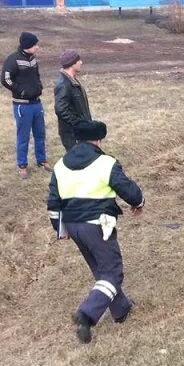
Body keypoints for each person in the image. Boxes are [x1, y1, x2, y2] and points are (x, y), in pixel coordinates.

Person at [47, 120, 145, 343]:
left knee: (100, 268)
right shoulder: (105, 162)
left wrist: (60, 228)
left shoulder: (60, 165)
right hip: (98, 224)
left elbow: (53, 201)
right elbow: (126, 187)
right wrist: (139, 202)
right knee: (113, 272)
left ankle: (120, 310)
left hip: (73, 225)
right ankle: (87, 314)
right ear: (99, 140)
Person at [1, 31, 50, 179]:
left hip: (37, 104)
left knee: (40, 134)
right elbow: (6, 80)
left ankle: (42, 161)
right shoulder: (12, 60)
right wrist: (20, 91)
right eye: (35, 45)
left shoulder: (33, 59)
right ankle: (22, 165)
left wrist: (39, 86)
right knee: (23, 136)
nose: (38, 47)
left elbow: (36, 75)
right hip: (22, 106)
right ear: (28, 45)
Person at [54, 49, 92, 152]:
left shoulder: (72, 80)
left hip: (79, 131)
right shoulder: (63, 84)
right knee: (78, 160)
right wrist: (78, 123)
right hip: (72, 133)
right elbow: (60, 109)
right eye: (78, 60)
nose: (81, 62)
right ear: (72, 63)